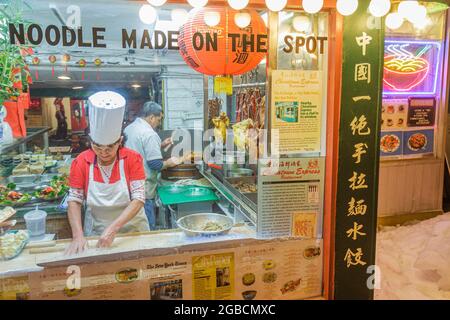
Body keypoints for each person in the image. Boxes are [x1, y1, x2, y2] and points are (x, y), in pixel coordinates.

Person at [65, 91, 150, 255]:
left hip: (133, 230)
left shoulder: (132, 159)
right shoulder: (81, 161)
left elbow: (139, 198)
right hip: (98, 232)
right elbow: (74, 199)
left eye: (110, 147)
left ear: (119, 141)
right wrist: (77, 235)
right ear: (90, 141)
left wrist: (113, 228)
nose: (103, 153)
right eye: (97, 147)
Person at [124, 102, 181, 229]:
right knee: (146, 225)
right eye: (159, 119)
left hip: (128, 185)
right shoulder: (150, 134)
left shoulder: (130, 128)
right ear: (151, 118)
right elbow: (155, 164)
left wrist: (160, 145)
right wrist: (170, 162)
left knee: (133, 224)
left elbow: (139, 150)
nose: (159, 123)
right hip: (144, 189)